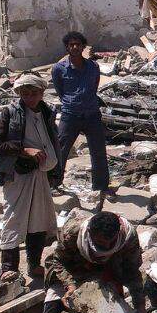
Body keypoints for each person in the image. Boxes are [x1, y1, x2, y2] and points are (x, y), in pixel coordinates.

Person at [34, 209, 143, 313]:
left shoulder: (128, 238)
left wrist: (139, 305)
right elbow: (57, 260)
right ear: (90, 234)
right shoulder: (74, 231)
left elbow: (132, 271)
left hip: (107, 275)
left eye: (109, 243)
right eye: (99, 243)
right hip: (70, 272)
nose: (105, 247)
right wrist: (70, 285)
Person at [0, 74, 62, 281]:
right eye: (25, 94)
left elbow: (53, 141)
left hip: (40, 172)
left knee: (38, 218)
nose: (29, 98)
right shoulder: (10, 113)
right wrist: (23, 150)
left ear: (41, 94)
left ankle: (34, 265)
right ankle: (8, 267)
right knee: (14, 217)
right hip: (17, 173)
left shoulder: (47, 113)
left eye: (34, 94)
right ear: (19, 94)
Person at [50, 31, 110, 194]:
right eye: (71, 44)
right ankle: (54, 183)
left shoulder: (93, 67)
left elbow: (94, 87)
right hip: (70, 114)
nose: (75, 47)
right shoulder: (58, 69)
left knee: (98, 151)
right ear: (67, 47)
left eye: (78, 44)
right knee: (61, 149)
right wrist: (72, 101)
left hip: (91, 114)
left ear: (83, 47)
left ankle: (101, 187)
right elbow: (59, 90)